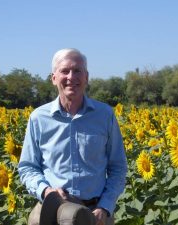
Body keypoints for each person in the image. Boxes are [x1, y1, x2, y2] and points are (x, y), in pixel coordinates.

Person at [18, 48, 127, 225]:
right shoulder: (38, 118)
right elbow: (27, 167)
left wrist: (105, 207)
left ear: (86, 77)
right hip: (52, 212)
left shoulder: (105, 115)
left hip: (96, 212)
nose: (71, 77)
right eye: (64, 71)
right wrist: (46, 191)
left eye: (77, 71)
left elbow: (118, 167)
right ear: (53, 78)